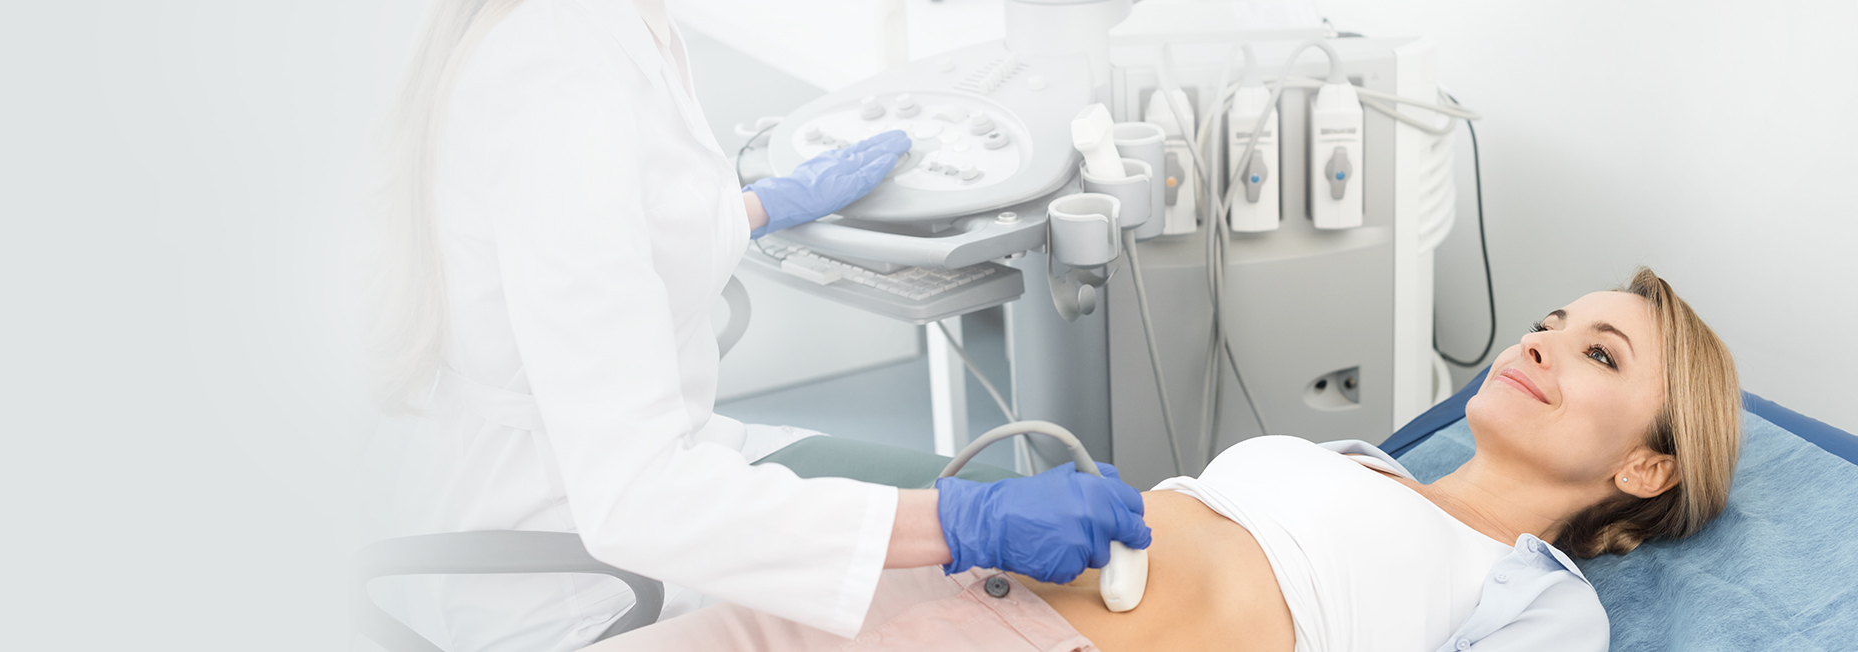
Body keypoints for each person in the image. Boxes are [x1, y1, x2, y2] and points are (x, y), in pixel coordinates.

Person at [361, 0, 1151, 648]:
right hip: (579, 577)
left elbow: (626, 231)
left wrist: (757, 207)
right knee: (1010, 583)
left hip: (664, 467)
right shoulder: (558, 77)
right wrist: (958, 525)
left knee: (1000, 505)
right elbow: (637, 499)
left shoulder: (609, 27)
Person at [589, 268, 1742, 652]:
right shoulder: (1357, 460)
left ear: (1649, 467)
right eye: (1549, 321)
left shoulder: (1538, 595)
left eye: (1599, 353)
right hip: (912, 583)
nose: (1539, 341)